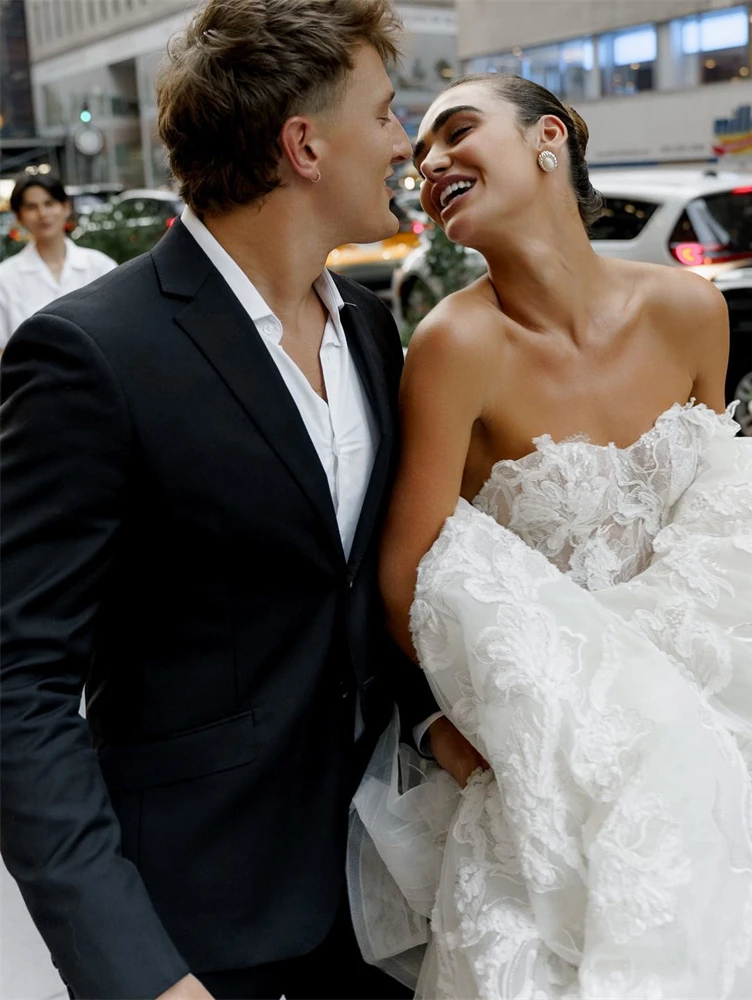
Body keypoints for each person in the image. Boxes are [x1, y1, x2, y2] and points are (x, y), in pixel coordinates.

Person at [351, 74, 752, 997]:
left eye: (456, 132)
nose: (430, 162)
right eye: (418, 155)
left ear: (549, 138)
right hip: (576, 731)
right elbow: (406, 576)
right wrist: (465, 731)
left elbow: (716, 507)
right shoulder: (456, 345)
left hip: (724, 687)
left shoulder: (692, 307)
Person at [0, 1, 461, 997]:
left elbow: (361, 594)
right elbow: (21, 684)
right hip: (195, 928)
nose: (402, 139)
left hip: (381, 894)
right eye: (383, 113)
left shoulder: (374, 331)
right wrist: (133, 969)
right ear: (303, 144)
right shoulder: (91, 354)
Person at [0, 173, 116, 349]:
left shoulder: (101, 267)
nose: (42, 214)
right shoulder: (5, 278)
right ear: (19, 217)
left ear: (66, 207)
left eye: (49, 203)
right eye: (32, 207)